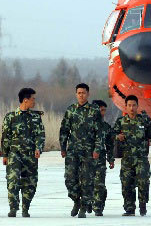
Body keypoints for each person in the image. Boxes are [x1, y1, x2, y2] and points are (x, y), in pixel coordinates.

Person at [60, 83, 104, 218]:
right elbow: (64, 129)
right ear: (76, 94)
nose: (81, 95)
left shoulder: (94, 110)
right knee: (70, 179)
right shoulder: (71, 110)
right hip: (73, 150)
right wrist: (63, 147)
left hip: (88, 151)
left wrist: (97, 149)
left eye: (83, 93)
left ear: (88, 94)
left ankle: (84, 207)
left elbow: (99, 132)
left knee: (87, 180)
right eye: (79, 93)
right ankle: (76, 201)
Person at [114, 95, 151, 216]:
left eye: (134, 105)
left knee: (143, 182)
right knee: (126, 183)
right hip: (127, 159)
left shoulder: (144, 120)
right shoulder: (121, 121)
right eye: (129, 105)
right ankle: (129, 208)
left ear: (137, 106)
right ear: (126, 106)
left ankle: (143, 205)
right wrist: (117, 136)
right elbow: (110, 134)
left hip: (141, 159)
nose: (131, 108)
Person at [2, 88, 45, 218]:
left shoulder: (36, 117)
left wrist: (38, 148)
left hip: (31, 155)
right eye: (33, 99)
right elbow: (6, 137)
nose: (35, 102)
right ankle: (13, 207)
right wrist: (5, 154)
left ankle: (26, 207)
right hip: (14, 154)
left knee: (30, 182)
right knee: (13, 180)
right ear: (25, 100)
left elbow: (40, 135)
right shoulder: (10, 117)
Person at [91, 100, 115, 216]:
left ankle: (98, 207)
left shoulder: (106, 127)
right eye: (101, 110)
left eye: (104, 110)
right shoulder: (85, 124)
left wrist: (111, 159)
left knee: (100, 184)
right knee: (85, 184)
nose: (102, 113)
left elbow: (110, 145)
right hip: (86, 160)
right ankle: (88, 203)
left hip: (100, 160)